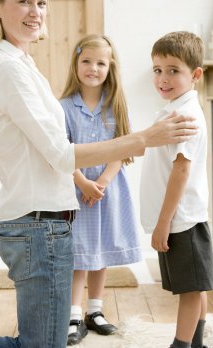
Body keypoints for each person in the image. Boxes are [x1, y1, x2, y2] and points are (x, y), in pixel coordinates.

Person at [0, 0, 198, 345]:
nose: (36, 10)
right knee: (40, 344)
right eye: (24, 1)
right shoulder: (9, 68)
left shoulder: (23, 64)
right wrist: (143, 138)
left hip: (47, 222)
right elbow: (62, 154)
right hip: (37, 226)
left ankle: (90, 308)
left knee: (45, 341)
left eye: (42, 2)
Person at [60, 34, 143, 345]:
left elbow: (123, 148)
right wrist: (82, 181)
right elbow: (62, 150)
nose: (92, 68)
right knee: (79, 252)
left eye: (100, 63)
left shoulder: (116, 105)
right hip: (75, 188)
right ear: (76, 64)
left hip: (108, 189)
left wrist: (103, 183)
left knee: (101, 247)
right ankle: (73, 312)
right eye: (86, 61)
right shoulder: (64, 107)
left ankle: (95, 311)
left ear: (111, 67)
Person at [140, 31, 213, 348]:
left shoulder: (184, 115)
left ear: (195, 75)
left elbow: (181, 170)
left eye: (173, 70)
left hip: (180, 219)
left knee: (189, 289)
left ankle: (182, 345)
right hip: (179, 218)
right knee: (192, 286)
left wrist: (163, 222)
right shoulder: (174, 109)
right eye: (158, 70)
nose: (163, 78)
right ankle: (194, 342)